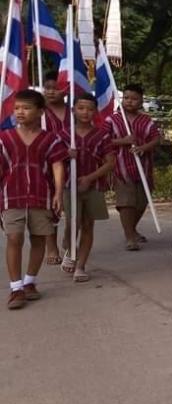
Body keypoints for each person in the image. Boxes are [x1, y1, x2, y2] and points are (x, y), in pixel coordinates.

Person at [1, 90, 66, 309]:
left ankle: (30, 282)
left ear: (40, 112)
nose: (20, 112)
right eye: (17, 107)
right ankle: (15, 287)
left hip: (41, 195)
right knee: (14, 238)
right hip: (12, 196)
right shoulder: (5, 138)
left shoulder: (51, 138)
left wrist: (58, 193)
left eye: (26, 108)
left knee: (39, 238)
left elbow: (58, 164)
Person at [60, 93, 115, 283]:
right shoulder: (64, 135)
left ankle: (80, 265)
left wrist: (90, 178)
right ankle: (69, 247)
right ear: (74, 110)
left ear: (95, 112)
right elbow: (53, 161)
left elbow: (110, 163)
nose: (85, 112)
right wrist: (66, 155)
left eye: (90, 109)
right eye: (81, 108)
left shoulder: (102, 135)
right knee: (71, 223)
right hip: (69, 186)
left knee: (87, 225)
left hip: (94, 186)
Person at [106, 83, 160, 251]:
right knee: (126, 203)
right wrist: (124, 141)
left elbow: (156, 138)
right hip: (121, 168)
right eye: (126, 98)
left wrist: (143, 148)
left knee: (142, 202)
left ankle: (132, 229)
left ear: (141, 101)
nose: (129, 102)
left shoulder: (146, 120)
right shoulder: (112, 120)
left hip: (143, 168)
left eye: (134, 99)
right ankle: (130, 237)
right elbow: (103, 140)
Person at [41, 70, 69, 265]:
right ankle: (51, 247)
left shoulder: (75, 110)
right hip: (47, 164)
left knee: (75, 207)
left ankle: (70, 241)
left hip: (75, 163)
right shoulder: (40, 112)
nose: (51, 92)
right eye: (48, 88)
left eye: (56, 88)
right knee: (51, 207)